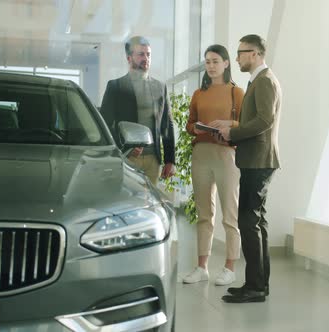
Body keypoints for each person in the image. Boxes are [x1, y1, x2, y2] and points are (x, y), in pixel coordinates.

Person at [212, 35, 282, 303]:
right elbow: (257, 118)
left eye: (240, 53)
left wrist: (234, 132)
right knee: (257, 222)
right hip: (257, 159)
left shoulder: (264, 81)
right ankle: (258, 284)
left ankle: (255, 287)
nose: (238, 58)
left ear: (254, 53)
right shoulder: (260, 80)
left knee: (248, 222)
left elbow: (265, 120)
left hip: (259, 160)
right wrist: (230, 123)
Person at [182, 44, 245, 286]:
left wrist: (229, 123)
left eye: (215, 61)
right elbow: (189, 124)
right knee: (203, 214)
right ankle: (202, 267)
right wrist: (194, 128)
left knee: (230, 214)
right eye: (207, 61)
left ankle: (229, 267)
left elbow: (245, 124)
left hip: (226, 155)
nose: (210, 65)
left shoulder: (236, 93)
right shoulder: (199, 93)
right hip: (201, 153)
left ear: (226, 64)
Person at [100, 36, 175, 184]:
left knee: (149, 205)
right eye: (141, 54)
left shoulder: (160, 87)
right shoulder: (116, 86)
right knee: (126, 203)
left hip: (153, 160)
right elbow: (105, 124)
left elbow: (167, 125)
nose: (145, 58)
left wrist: (170, 160)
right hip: (127, 158)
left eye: (148, 54)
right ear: (129, 58)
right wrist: (125, 146)